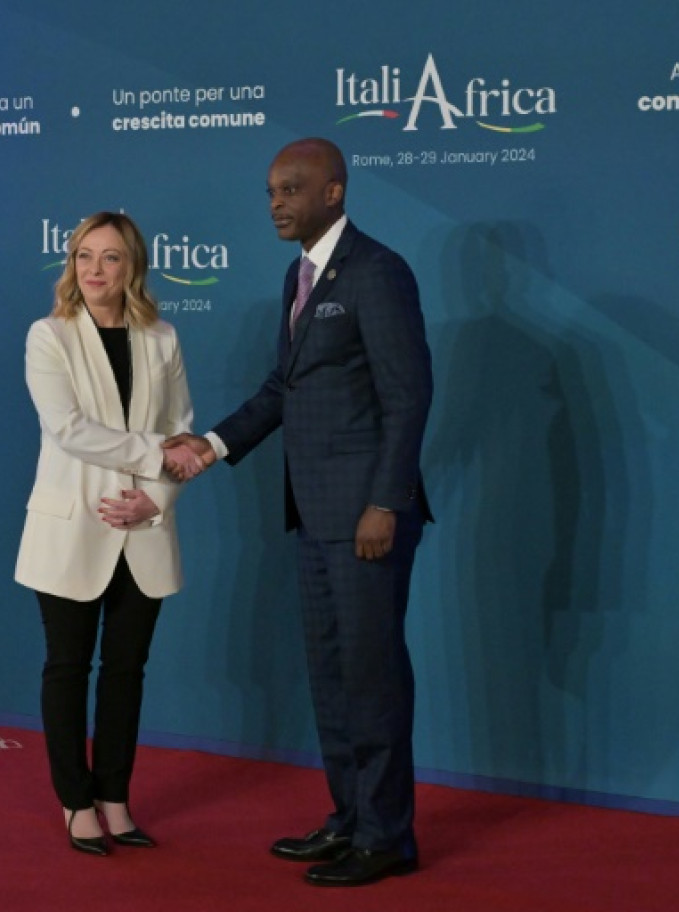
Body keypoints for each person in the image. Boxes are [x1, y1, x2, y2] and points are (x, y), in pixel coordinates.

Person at [165, 138, 433, 887]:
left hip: (366, 519)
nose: (277, 203)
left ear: (335, 192)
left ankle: (387, 837)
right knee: (332, 674)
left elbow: (408, 397)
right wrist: (212, 444)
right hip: (312, 515)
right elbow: (285, 389)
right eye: (271, 192)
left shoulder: (379, 273)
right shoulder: (300, 274)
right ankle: (349, 819)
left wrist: (386, 501)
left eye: (291, 189)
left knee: (373, 677)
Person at [16, 211, 203, 857]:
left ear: (134, 267)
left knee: (127, 672)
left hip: (144, 528)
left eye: (111, 258)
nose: (95, 270)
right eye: (84, 257)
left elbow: (184, 431)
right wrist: (157, 456)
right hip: (72, 529)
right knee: (67, 668)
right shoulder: (50, 336)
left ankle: (115, 798)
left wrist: (153, 498)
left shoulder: (163, 337)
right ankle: (75, 802)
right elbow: (67, 428)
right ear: (71, 265)